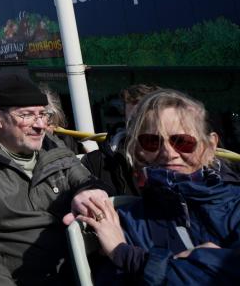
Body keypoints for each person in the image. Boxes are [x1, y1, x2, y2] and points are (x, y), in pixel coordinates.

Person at [0, 74, 110, 285]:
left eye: (42, 114)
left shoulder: (51, 145)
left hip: (80, 271)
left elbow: (83, 178)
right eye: (27, 115)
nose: (40, 125)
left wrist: (89, 189)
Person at [75, 89, 240, 285]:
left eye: (182, 141)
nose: (168, 153)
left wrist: (127, 255)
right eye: (152, 141)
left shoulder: (235, 204)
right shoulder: (125, 221)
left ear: (210, 145)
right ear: (138, 150)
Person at [83, 84, 162, 196]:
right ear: (125, 118)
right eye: (133, 121)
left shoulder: (176, 160)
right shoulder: (95, 162)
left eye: (146, 121)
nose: (138, 127)